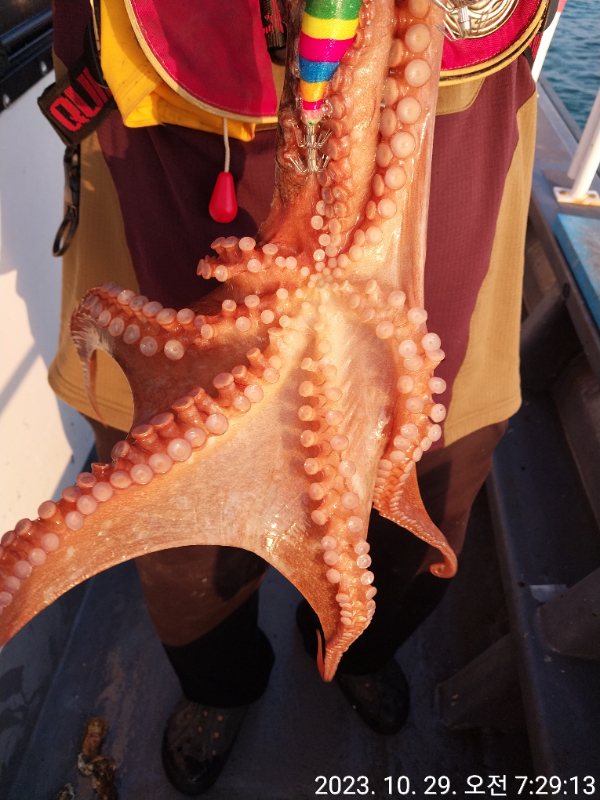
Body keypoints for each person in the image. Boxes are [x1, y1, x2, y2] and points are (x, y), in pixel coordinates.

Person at [45, 0, 540, 793]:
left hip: (451, 93)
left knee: (432, 478)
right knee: (180, 494)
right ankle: (220, 683)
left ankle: (357, 648)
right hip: (166, 91)